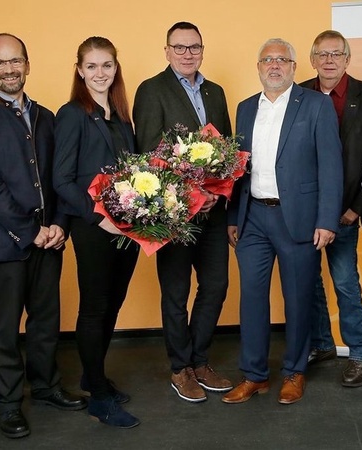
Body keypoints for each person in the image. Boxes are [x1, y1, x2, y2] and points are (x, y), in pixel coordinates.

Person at [0, 33, 86, 439]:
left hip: (49, 238)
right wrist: (29, 230)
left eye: (15, 61)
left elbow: (59, 179)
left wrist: (60, 228)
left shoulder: (47, 117)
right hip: (5, 244)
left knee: (45, 322)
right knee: (4, 329)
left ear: (28, 64)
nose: (9, 69)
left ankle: (47, 386)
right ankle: (8, 403)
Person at [222, 38, 343, 405]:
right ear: (258, 67)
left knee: (298, 299)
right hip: (252, 217)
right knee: (253, 299)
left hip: (300, 219)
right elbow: (234, 168)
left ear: (293, 66)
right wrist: (232, 216)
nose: (274, 65)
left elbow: (332, 167)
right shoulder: (244, 108)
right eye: (267, 60)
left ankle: (294, 372)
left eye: (282, 60)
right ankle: (254, 375)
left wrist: (326, 220)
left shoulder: (317, 106)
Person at [133, 21, 233, 403]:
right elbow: (148, 153)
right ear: (167, 50)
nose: (187, 53)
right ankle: (180, 369)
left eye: (194, 47)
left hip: (213, 212)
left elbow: (223, 152)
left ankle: (200, 360)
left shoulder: (216, 91)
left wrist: (215, 194)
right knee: (175, 294)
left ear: (202, 50)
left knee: (215, 287)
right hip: (175, 216)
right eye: (180, 47)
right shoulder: (151, 89)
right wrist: (193, 195)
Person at [53, 36, 140, 428]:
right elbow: (62, 179)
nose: (100, 73)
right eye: (92, 66)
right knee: (95, 307)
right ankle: (99, 400)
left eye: (107, 65)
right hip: (94, 228)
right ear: (79, 70)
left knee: (113, 304)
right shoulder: (72, 114)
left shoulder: (121, 116)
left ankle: (93, 375)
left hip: (127, 227)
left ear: (116, 68)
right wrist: (97, 216)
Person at [298, 30, 362, 388]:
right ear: (312, 59)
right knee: (309, 283)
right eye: (322, 54)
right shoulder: (298, 94)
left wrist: (355, 206)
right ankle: (321, 343)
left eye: (336, 54)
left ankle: (361, 353)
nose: (329, 61)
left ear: (348, 59)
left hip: (345, 212)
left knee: (346, 283)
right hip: (304, 212)